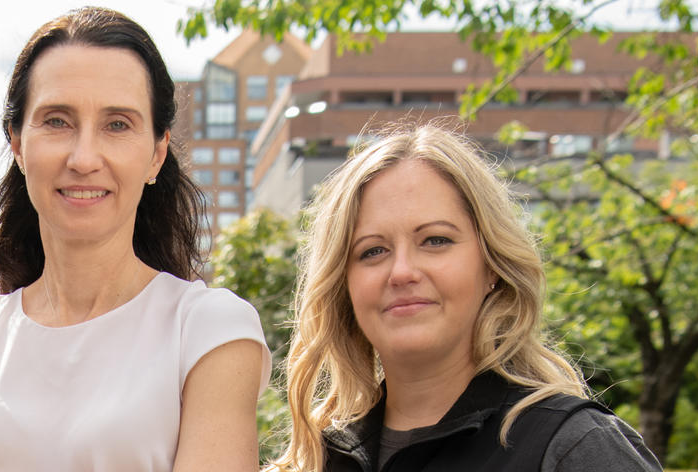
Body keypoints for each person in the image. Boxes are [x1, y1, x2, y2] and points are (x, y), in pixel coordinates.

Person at [0, 6, 270, 472]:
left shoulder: (210, 331)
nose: (84, 158)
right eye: (58, 121)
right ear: (17, 144)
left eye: (117, 124)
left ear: (156, 154)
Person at [269, 123, 662, 471]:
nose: (402, 271)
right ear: (344, 285)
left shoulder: (572, 447)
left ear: (491, 264)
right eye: (372, 251)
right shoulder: (317, 460)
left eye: (436, 240)